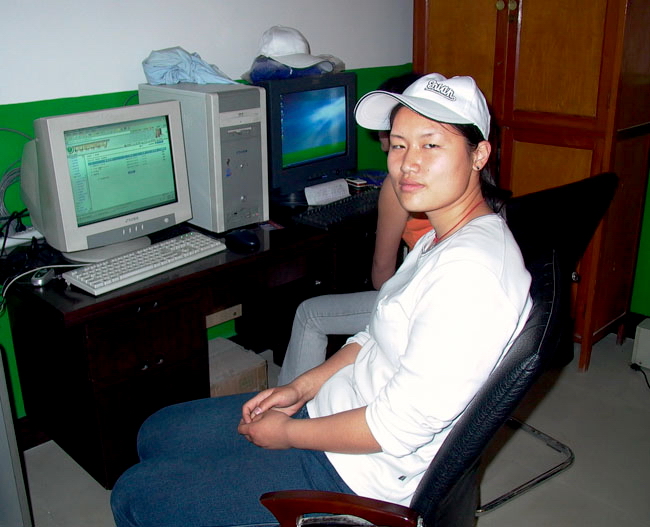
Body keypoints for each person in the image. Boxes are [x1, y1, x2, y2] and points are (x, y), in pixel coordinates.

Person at [110, 73, 532, 527]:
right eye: (398, 144)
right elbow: (373, 337)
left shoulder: (471, 274)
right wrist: (301, 387)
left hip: (355, 474)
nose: (408, 164)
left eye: (431, 145)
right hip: (335, 409)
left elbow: (396, 427)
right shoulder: (442, 236)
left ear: (479, 154)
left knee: (135, 496)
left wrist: (289, 433)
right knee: (157, 432)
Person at [277, 73, 431, 385]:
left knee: (309, 314)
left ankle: (289, 409)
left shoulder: (398, 186)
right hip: (431, 298)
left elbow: (381, 277)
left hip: (418, 306)